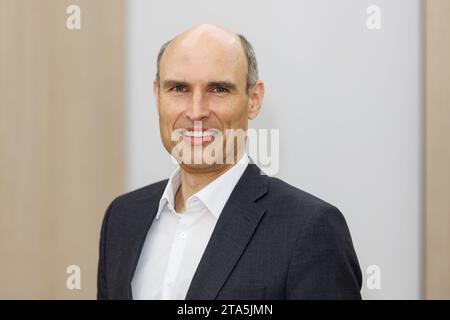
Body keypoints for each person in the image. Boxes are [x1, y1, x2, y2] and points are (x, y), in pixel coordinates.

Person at [97, 23, 362, 300]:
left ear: (254, 100)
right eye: (179, 88)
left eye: (218, 89)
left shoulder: (309, 229)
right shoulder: (122, 218)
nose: (196, 112)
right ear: (157, 96)